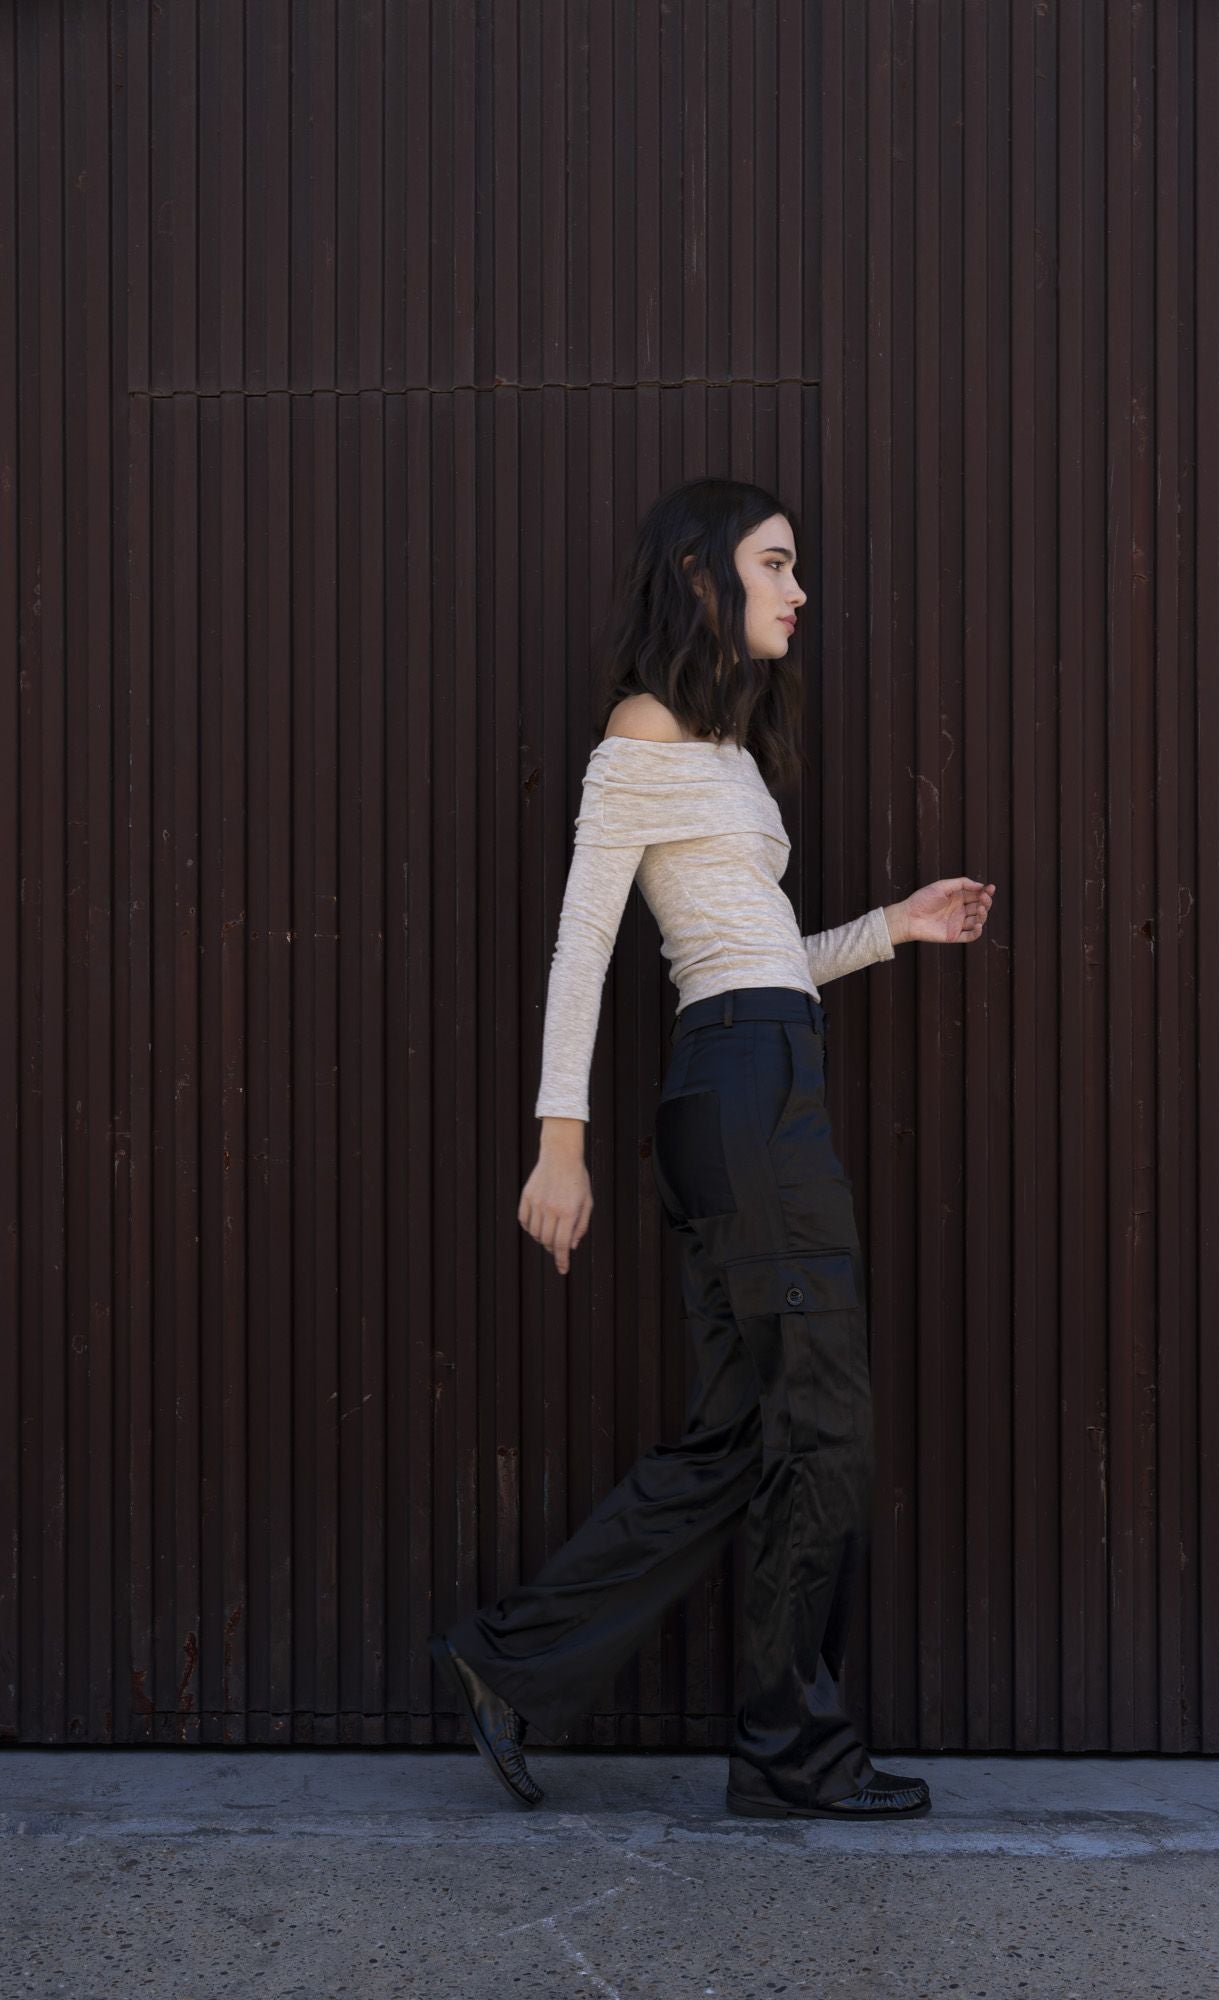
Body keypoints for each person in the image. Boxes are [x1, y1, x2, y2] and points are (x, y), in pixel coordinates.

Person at [431, 477, 995, 1819]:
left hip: (757, 1066)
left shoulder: (727, 752)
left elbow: (757, 955)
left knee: (749, 1431)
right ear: (701, 576)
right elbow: (583, 944)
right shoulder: (637, 735)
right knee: (826, 1425)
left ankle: (510, 1662)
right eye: (775, 564)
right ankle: (790, 1750)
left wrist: (894, 927)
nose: (798, 592)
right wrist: (557, 1144)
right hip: (742, 1090)